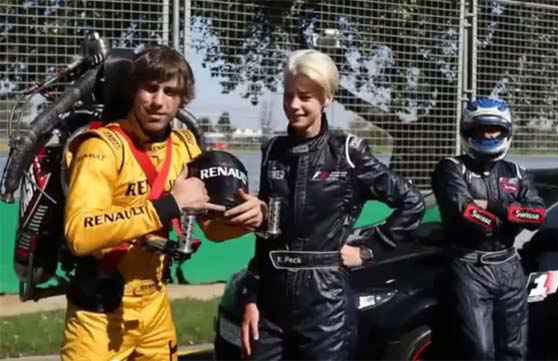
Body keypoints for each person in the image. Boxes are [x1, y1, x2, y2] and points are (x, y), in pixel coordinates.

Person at [62, 45, 264, 360]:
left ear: (183, 99)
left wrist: (249, 218)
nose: (159, 102)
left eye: (170, 92)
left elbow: (210, 228)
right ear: (133, 90)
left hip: (154, 307)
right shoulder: (101, 147)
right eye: (151, 88)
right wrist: (169, 205)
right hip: (98, 314)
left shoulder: (185, 147)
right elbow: (80, 234)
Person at [239, 49, 425, 360]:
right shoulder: (273, 150)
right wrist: (250, 296)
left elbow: (411, 203)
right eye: (288, 95)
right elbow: (265, 238)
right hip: (271, 302)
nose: (294, 105)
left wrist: (369, 251)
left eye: (305, 96)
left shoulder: (348, 152)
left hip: (326, 303)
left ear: (326, 98)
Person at [431, 97, 546, 360]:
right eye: (482, 129)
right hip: (470, 268)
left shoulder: (517, 171)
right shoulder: (451, 167)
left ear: (506, 131)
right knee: (480, 352)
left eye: (494, 129)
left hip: (510, 268)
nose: (489, 135)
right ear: (469, 131)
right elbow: (467, 213)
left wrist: (493, 205)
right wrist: (511, 214)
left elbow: (538, 215)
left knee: (514, 350)